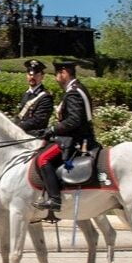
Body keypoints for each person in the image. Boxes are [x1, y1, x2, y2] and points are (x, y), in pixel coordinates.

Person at [32, 61, 100, 211]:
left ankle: (55, 200)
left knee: (43, 159)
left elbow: (74, 121)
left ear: (64, 73)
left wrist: (52, 129)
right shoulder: (77, 89)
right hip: (76, 136)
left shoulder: (73, 92)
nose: (56, 78)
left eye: (57, 74)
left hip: (76, 139)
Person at [15, 59, 54, 136]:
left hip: (34, 137)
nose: (32, 77)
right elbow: (20, 115)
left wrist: (17, 127)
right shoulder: (26, 94)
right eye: (30, 74)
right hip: (21, 134)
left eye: (36, 75)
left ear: (42, 76)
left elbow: (38, 120)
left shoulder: (46, 97)